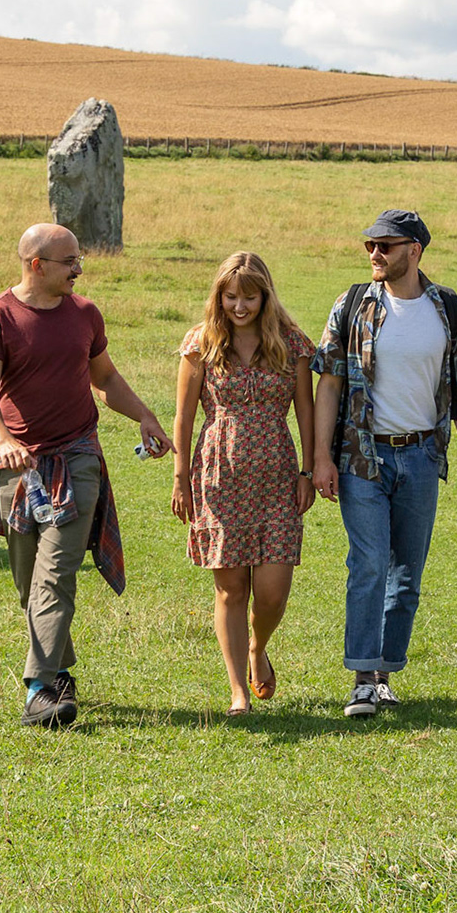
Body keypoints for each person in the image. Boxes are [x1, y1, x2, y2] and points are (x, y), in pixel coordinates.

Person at [0, 223, 173, 728]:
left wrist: (144, 416)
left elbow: (105, 378)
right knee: (29, 584)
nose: (78, 269)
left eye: (79, 260)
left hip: (78, 460)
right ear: (36, 265)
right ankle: (61, 669)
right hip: (19, 465)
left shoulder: (85, 314)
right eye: (69, 261)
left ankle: (39, 689)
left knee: (56, 572)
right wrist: (3, 440)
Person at [312, 210, 457, 718]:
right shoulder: (353, 305)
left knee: (406, 573)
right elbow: (329, 384)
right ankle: (362, 678)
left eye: (385, 246)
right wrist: (320, 457)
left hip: (421, 456)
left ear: (415, 250)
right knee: (367, 563)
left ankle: (385, 673)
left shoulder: (447, 307)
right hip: (361, 457)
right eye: (370, 245)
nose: (374, 254)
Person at [171, 252, 318, 716]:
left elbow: (307, 413)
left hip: (277, 473)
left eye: (249, 297)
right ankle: (237, 690)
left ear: (265, 296)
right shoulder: (201, 344)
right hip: (217, 474)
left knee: (273, 591)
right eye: (231, 296)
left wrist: (308, 471)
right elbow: (184, 415)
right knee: (231, 589)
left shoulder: (291, 344)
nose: (239, 306)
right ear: (219, 296)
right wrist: (180, 479)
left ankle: (259, 646)